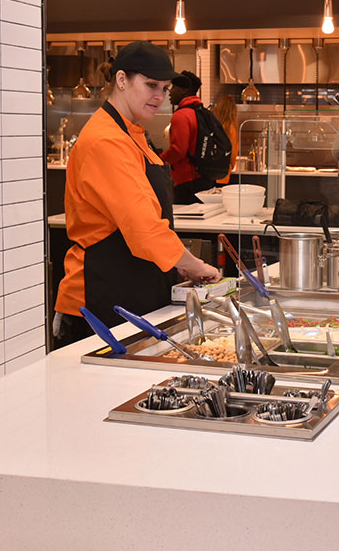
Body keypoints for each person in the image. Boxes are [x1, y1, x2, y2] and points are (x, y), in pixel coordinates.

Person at [53, 42, 220, 348]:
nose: (160, 96)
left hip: (131, 291)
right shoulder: (106, 140)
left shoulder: (131, 134)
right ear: (121, 80)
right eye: (151, 85)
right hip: (101, 299)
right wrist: (195, 264)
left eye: (166, 88)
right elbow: (143, 227)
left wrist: (178, 263)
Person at [162, 70, 219, 204]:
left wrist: (158, 160)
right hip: (205, 178)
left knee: (185, 222)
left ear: (184, 90)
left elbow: (178, 150)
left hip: (187, 182)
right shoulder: (202, 113)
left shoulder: (181, 116)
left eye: (174, 87)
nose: (170, 92)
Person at [210, 95, 239, 185]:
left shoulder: (212, 123)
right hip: (223, 173)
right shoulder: (231, 128)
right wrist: (231, 166)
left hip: (207, 172)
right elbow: (233, 152)